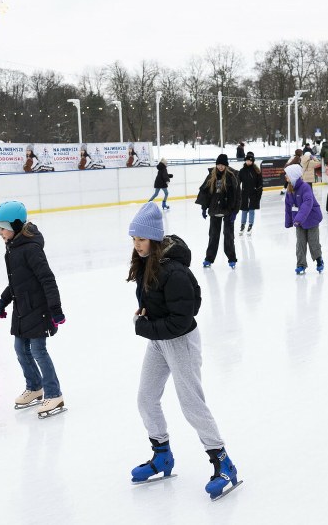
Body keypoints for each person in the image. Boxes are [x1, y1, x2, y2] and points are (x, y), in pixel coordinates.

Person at [124, 203, 239, 499]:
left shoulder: (173, 272)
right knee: (146, 398)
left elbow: (182, 319)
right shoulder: (147, 262)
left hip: (181, 341)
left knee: (191, 404)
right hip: (159, 342)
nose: (137, 245)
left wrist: (143, 326)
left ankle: (223, 463)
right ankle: (162, 454)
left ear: (154, 238)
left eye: (141, 239)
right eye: (134, 239)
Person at [0, 200, 66, 418]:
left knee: (38, 351)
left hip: (39, 308)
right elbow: (16, 282)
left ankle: (54, 394)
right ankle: (35, 387)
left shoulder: (31, 249)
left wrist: (56, 310)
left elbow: (47, 279)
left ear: (15, 225)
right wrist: (3, 301)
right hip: (22, 308)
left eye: (2, 227)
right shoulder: (13, 248)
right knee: (20, 349)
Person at [195, 154, 240, 269]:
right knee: (213, 235)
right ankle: (209, 258)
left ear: (226, 165)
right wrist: (204, 208)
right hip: (214, 209)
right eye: (218, 164)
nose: (220, 167)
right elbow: (205, 192)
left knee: (228, 236)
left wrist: (235, 211)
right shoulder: (211, 175)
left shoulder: (232, 176)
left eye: (223, 165)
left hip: (228, 210)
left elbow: (237, 195)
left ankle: (231, 259)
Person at [283, 164, 323, 274]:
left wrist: (298, 219)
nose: (285, 176)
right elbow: (288, 207)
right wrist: (289, 222)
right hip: (298, 221)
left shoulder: (305, 187)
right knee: (300, 243)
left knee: (313, 242)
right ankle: (301, 265)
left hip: (312, 219)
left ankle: (319, 260)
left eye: (287, 174)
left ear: (293, 176)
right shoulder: (289, 189)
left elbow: (307, 204)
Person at [237, 153, 262, 234]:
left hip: (253, 194)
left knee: (251, 210)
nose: (248, 162)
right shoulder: (242, 171)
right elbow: (237, 182)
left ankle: (250, 225)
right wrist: (238, 191)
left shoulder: (256, 171)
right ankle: (242, 225)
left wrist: (258, 195)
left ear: (252, 161)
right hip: (244, 194)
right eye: (247, 160)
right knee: (244, 210)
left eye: (250, 161)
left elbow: (260, 184)